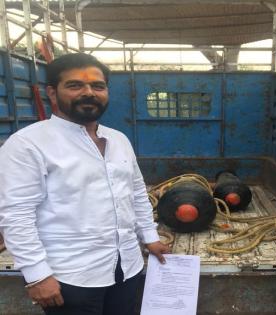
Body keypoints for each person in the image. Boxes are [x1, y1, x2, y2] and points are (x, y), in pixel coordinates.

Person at [0, 53, 170, 315]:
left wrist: (150, 238)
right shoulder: (27, 144)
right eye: (75, 85)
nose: (89, 92)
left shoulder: (118, 139)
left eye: (97, 86)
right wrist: (36, 275)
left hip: (127, 268)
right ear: (52, 93)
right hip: (70, 278)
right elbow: (16, 215)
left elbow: (135, 193)